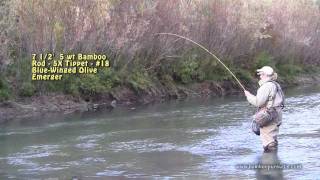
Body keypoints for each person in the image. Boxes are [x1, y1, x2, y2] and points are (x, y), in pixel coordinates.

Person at [244, 66, 284, 152]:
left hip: (268, 116)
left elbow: (259, 102)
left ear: (266, 75)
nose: (260, 76)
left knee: (268, 141)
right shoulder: (275, 84)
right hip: (276, 114)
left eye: (261, 74)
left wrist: (249, 96)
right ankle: (273, 158)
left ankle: (269, 161)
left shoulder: (266, 86)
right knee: (272, 137)